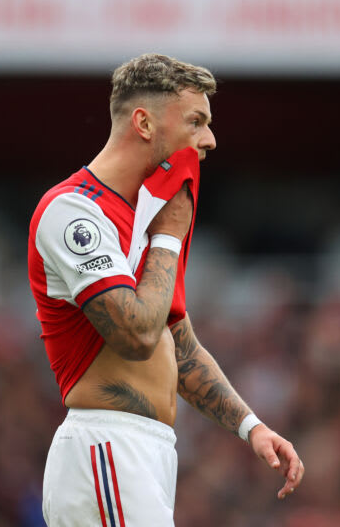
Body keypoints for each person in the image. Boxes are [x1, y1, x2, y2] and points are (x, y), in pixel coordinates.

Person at [27, 53, 304, 526]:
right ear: (143, 122)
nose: (210, 140)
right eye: (196, 121)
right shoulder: (74, 212)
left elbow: (175, 341)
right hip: (107, 445)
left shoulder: (147, 219)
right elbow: (135, 336)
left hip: (147, 452)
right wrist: (170, 236)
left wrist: (251, 427)